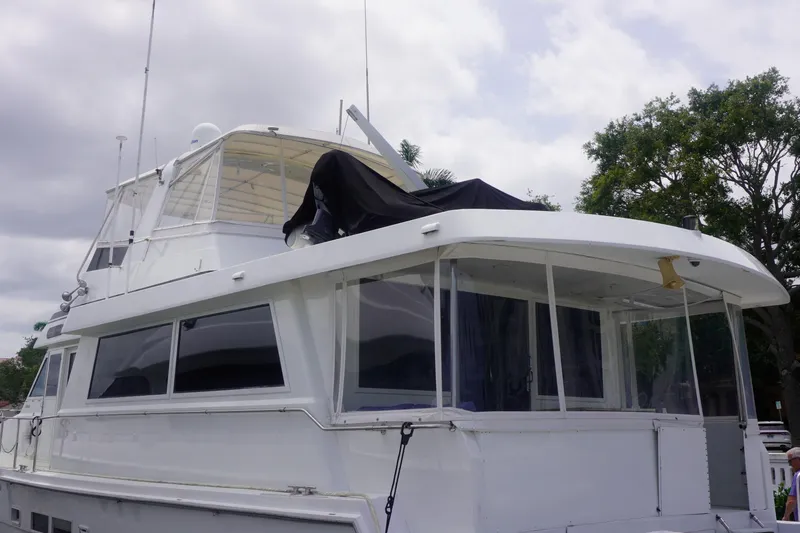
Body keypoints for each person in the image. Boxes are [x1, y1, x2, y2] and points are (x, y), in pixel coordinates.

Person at [784, 447, 800, 521]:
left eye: (790, 461)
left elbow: (792, 501)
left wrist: (786, 516)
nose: (790, 465)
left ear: (798, 459)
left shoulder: (798, 476)